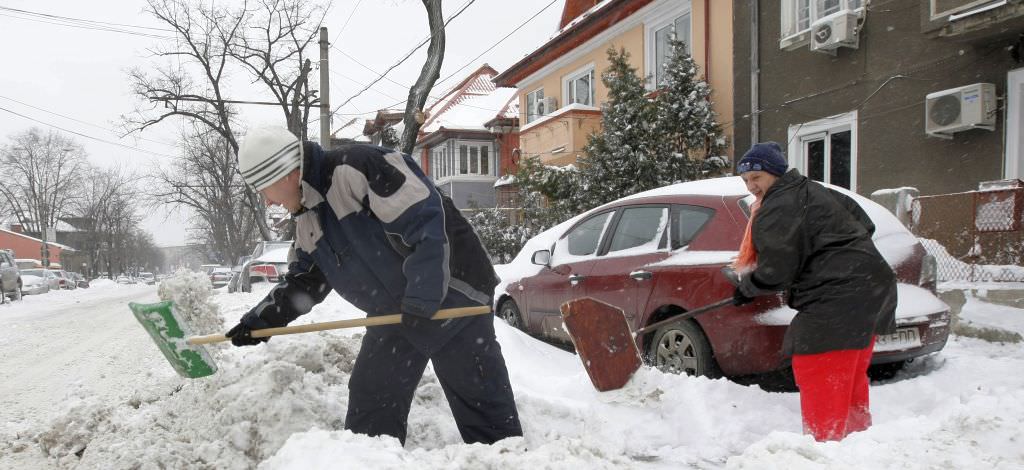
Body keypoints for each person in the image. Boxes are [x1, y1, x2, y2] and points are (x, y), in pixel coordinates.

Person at [225, 126, 523, 446]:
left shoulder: (355, 168)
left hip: (453, 294)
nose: (265, 199)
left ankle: (504, 459)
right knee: (373, 399)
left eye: (261, 188)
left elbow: (424, 223)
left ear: (281, 174)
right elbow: (304, 281)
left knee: (480, 402)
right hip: (396, 311)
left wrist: (423, 299)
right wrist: (260, 321)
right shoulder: (308, 219)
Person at [730, 142, 897, 442]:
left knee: (818, 368)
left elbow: (776, 270)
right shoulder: (818, 191)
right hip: (872, 292)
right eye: (746, 181)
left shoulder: (777, 206)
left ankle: (826, 448)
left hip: (837, 299)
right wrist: (829, 253)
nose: (752, 186)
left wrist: (748, 287)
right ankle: (857, 444)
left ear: (776, 173)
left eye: (757, 177)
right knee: (847, 376)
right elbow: (865, 225)